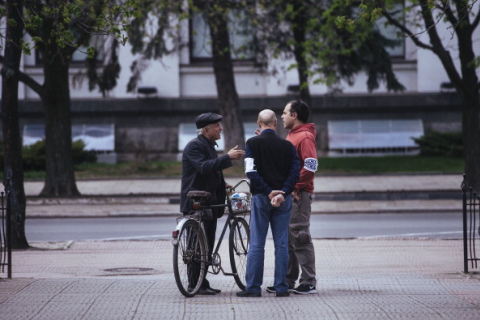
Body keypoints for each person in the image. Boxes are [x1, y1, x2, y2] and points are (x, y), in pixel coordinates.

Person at [236, 109, 300, 298]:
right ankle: (281, 287)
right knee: (281, 244)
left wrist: (267, 191)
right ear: (275, 123)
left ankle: (254, 288)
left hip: (261, 199)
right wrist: (283, 193)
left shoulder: (252, 143)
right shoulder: (287, 146)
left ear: (258, 123)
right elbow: (295, 173)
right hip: (283, 199)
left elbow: (251, 172)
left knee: (256, 244)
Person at [180, 112, 244, 295]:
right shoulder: (195, 146)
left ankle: (201, 281)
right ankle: (194, 284)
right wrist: (227, 157)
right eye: (217, 126)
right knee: (196, 245)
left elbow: (210, 171)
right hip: (196, 202)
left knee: (206, 243)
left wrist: (222, 184)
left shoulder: (207, 144)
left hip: (208, 201)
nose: (221, 128)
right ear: (206, 129)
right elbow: (204, 167)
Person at [268, 99, 318, 295]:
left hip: (299, 195)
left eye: (285, 112)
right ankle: (288, 280)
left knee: (300, 237)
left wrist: (294, 187)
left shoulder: (304, 136)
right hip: (291, 193)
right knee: (289, 239)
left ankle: (309, 282)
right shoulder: (292, 135)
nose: (281, 116)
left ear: (294, 115)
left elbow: (311, 166)